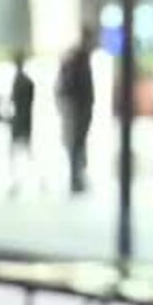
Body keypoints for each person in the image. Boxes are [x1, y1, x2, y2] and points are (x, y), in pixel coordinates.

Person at [56, 30, 97, 195]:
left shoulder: (81, 58)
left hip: (80, 110)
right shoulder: (76, 59)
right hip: (77, 111)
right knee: (75, 145)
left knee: (78, 145)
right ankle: (75, 179)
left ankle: (78, 178)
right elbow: (68, 88)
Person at [8, 50, 35, 195]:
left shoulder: (21, 81)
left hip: (20, 121)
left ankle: (18, 181)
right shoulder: (25, 80)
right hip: (23, 120)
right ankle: (17, 181)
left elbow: (19, 103)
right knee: (22, 153)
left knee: (18, 153)